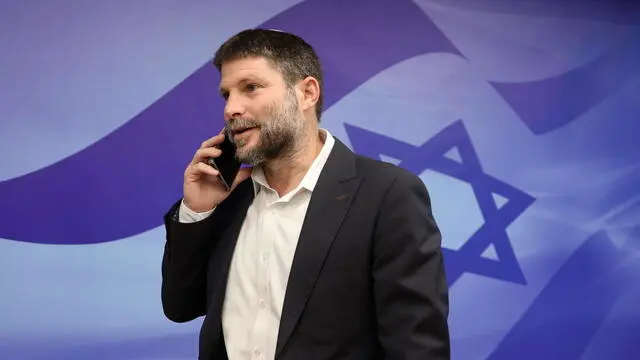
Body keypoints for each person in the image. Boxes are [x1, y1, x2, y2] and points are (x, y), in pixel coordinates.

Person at [161, 28, 450, 360]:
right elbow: (180, 307)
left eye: (250, 88)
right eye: (226, 94)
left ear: (307, 93)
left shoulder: (387, 194)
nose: (231, 109)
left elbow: (417, 348)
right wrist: (196, 212)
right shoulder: (226, 198)